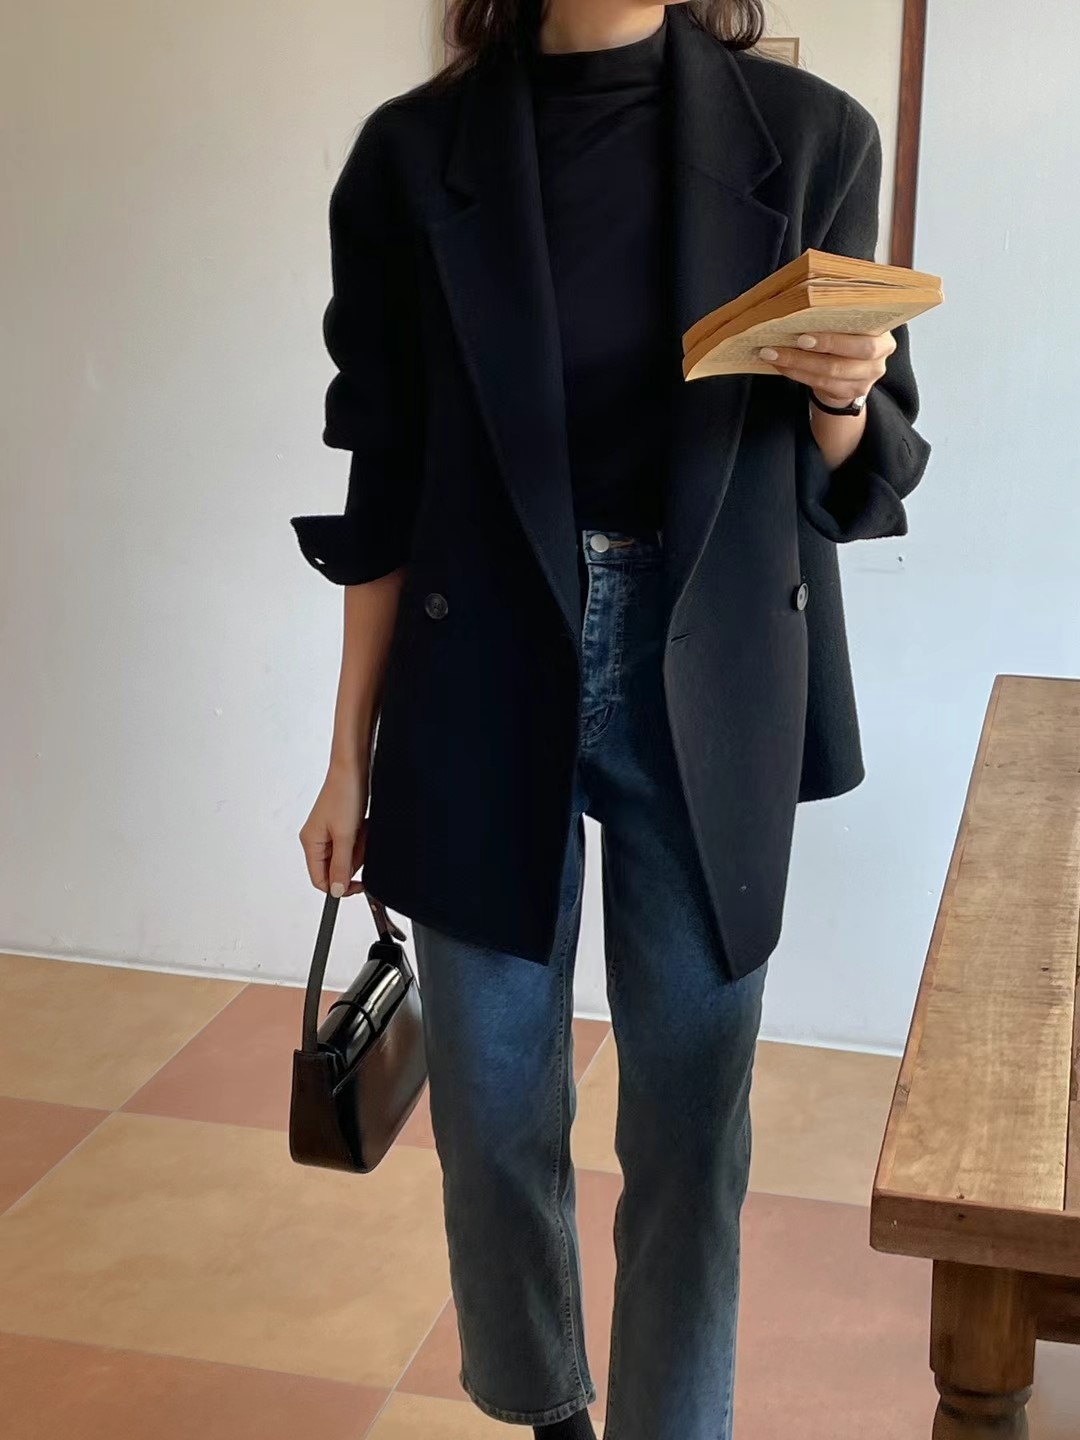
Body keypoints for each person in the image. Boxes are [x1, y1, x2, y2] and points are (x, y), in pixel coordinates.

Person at [293, 3, 931, 1438]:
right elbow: (383, 483)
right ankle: (552, 1415)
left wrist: (843, 396)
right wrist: (346, 757)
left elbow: (859, 476)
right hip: (478, 660)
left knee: (693, 1128)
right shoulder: (411, 158)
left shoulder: (812, 138)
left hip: (709, 670)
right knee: (492, 1113)